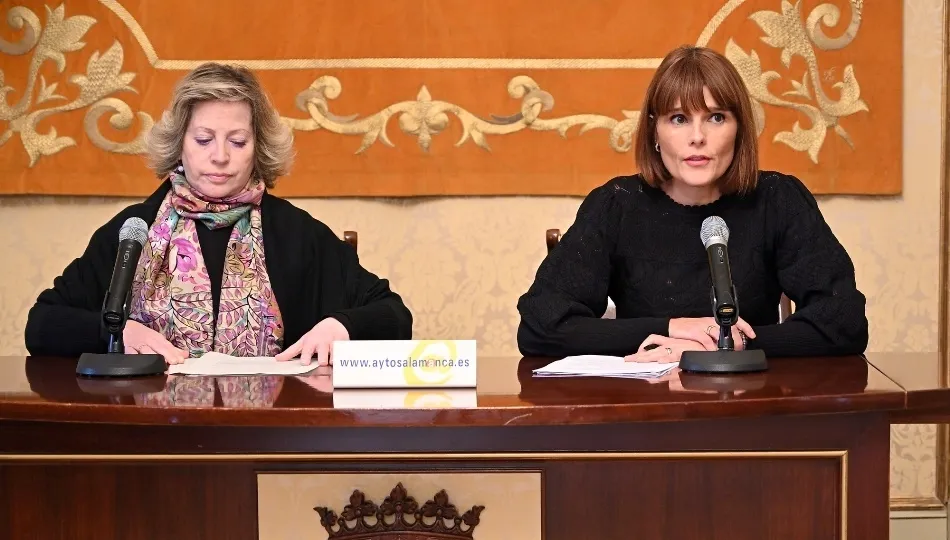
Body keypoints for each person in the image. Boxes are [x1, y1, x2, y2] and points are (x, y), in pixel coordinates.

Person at [25, 63, 412, 366]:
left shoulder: (296, 233)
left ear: (258, 148)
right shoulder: (135, 229)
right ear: (180, 144)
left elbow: (394, 315)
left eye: (238, 141)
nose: (221, 156)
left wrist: (342, 326)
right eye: (204, 139)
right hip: (145, 436)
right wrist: (115, 332)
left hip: (262, 439)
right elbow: (41, 325)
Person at [516, 46, 868, 362]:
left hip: (749, 412)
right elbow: (539, 327)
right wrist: (671, 328)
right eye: (679, 118)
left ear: (739, 129)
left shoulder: (778, 200)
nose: (697, 137)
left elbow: (844, 322)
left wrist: (729, 345)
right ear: (655, 130)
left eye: (716, 117)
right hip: (643, 415)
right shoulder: (616, 205)